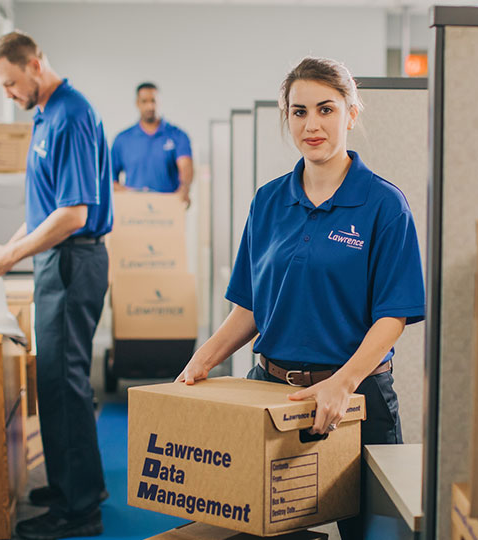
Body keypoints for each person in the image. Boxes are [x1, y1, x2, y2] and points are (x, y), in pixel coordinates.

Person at [176, 57, 425, 540]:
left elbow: (393, 315)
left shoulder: (383, 205)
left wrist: (342, 384)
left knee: (373, 536)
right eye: (299, 111)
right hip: (271, 396)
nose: (312, 124)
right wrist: (202, 359)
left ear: (351, 114)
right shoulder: (268, 201)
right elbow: (249, 308)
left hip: (356, 402)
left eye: (326, 109)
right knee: (264, 533)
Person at [0, 31, 112, 540]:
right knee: (59, 382)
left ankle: (77, 513)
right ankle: (79, 486)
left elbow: (74, 214)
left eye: (11, 83)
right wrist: (5, 249)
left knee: (61, 384)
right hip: (56, 261)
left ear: (35, 65)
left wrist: (12, 255)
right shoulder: (43, 115)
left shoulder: (71, 114)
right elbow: (44, 210)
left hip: (72, 263)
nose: (8, 95)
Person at [110, 82, 194, 205]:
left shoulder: (177, 135)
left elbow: (185, 166)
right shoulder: (122, 139)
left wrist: (184, 189)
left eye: (153, 101)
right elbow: (110, 178)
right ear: (137, 103)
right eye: (144, 101)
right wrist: (128, 193)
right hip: (133, 208)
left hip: (167, 207)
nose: (150, 106)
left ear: (159, 102)